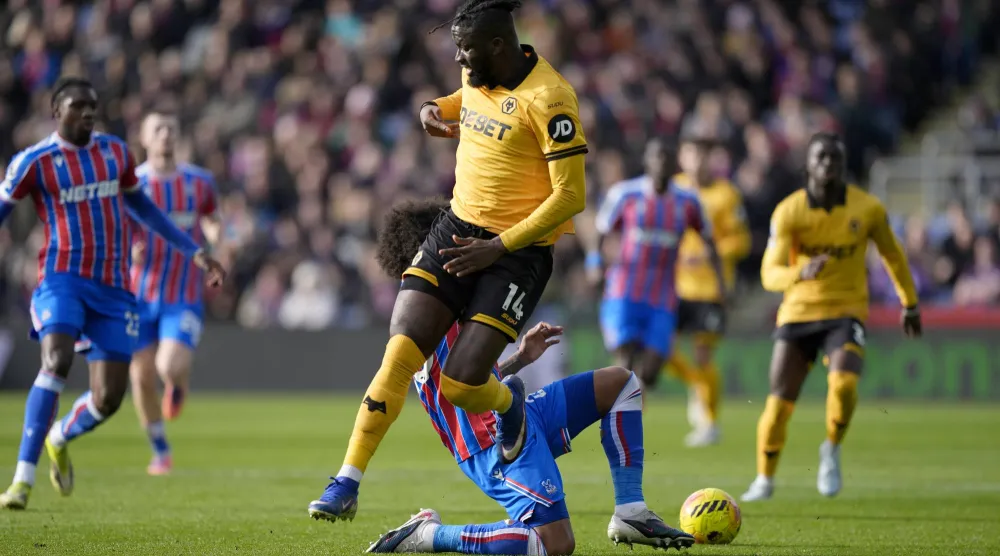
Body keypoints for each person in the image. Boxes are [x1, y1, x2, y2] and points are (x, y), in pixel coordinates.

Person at [309, 0, 588, 521]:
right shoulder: (475, 70)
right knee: (400, 355)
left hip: (517, 253)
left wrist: (499, 246)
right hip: (456, 229)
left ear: (499, 46)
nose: (459, 55)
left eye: (467, 47)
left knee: (460, 384)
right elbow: (464, 99)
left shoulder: (550, 98)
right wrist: (433, 108)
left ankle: (509, 404)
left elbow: (571, 197)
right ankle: (345, 482)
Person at [362, 198, 695, 555]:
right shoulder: (420, 321)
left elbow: (470, 380)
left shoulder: (454, 302)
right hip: (491, 444)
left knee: (620, 384)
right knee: (555, 545)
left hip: (516, 415)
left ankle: (630, 512)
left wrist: (519, 359)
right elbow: (448, 389)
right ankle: (428, 535)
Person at [0, 78, 226, 510]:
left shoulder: (115, 154)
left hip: (115, 288)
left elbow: (144, 208)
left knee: (108, 398)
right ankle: (21, 482)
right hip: (61, 278)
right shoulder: (35, 162)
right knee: (57, 360)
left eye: (92, 106)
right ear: (56, 111)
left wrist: (195, 251)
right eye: (77, 106)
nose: (87, 113)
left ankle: (60, 435)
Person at [740, 132, 921, 502]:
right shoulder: (789, 211)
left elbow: (893, 256)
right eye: (821, 157)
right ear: (808, 164)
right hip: (798, 312)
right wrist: (799, 272)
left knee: (844, 385)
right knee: (778, 403)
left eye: (835, 158)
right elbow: (768, 272)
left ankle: (832, 449)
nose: (828, 165)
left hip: (845, 311)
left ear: (844, 165)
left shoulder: (867, 209)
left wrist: (910, 303)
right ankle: (764, 478)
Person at [587, 137, 725, 397]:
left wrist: (721, 285)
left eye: (667, 157)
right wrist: (594, 264)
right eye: (656, 156)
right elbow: (600, 231)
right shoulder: (626, 194)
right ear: (646, 161)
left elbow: (710, 241)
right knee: (625, 359)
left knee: (650, 372)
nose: (661, 162)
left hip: (663, 296)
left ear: (675, 164)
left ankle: (627, 401)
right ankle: (619, 420)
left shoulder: (688, 202)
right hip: (624, 289)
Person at [126, 108, 221, 475]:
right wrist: (128, 248)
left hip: (182, 293)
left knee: (168, 365)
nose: (165, 134)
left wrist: (215, 238)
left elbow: (212, 216)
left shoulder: (199, 182)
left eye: (171, 128)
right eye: (158, 129)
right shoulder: (132, 183)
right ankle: (160, 449)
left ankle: (177, 382)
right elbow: (118, 226)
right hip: (139, 293)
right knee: (140, 376)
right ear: (146, 138)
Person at [664, 136, 750, 447]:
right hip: (674, 286)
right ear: (683, 158)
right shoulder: (674, 189)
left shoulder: (726, 194)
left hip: (712, 288)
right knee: (660, 349)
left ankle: (710, 423)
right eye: (691, 153)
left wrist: (709, 253)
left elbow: (742, 241)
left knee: (703, 355)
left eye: (703, 154)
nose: (697, 160)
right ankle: (698, 386)